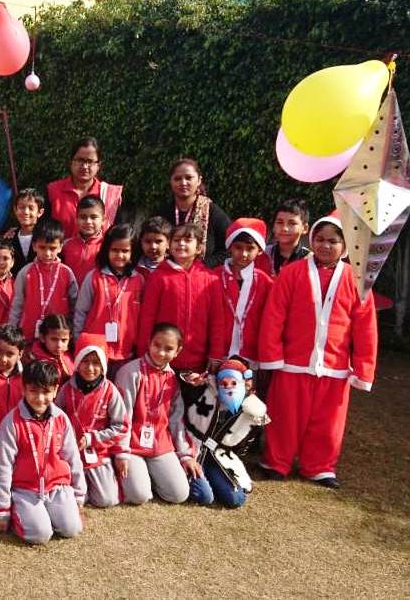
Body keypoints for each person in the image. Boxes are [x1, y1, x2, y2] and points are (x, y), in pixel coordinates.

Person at [257, 213, 377, 488]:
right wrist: (272, 356)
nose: (325, 246)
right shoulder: (292, 272)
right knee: (285, 416)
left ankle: (319, 466)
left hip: (334, 366)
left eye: (333, 241)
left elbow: (365, 328)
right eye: (320, 240)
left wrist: (363, 369)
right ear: (312, 240)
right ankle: (277, 461)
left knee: (328, 420)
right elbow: (274, 316)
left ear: (345, 246)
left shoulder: (357, 279)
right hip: (293, 362)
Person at [0, 360, 85, 545]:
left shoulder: (61, 419)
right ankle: (24, 513)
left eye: (46, 392)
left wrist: (79, 494)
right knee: (40, 535)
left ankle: (51, 512)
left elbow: (73, 457)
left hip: (57, 487)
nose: (40, 399)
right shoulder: (11, 424)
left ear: (56, 390)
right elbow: (3, 467)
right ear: (24, 389)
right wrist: (2, 509)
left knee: (71, 529)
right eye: (34, 391)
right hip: (25, 490)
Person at [136, 223, 224, 404]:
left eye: (188, 240)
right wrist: (144, 354)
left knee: (192, 414)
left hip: (197, 364)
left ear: (199, 247)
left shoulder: (211, 279)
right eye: (177, 240)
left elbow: (217, 320)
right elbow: (147, 318)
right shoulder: (159, 277)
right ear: (169, 244)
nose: (181, 244)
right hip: (162, 360)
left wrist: (216, 354)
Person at [114, 323, 195, 505]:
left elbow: (176, 419)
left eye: (168, 349)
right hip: (132, 445)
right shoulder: (130, 372)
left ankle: (148, 475)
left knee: (179, 494)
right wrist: (121, 453)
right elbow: (121, 416)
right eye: (157, 345)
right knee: (138, 496)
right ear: (149, 343)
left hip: (160, 445)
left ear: (177, 351)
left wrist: (185, 454)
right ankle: (139, 477)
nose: (160, 352)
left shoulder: (173, 378)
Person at [184, 359, 270, 508]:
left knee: (236, 499)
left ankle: (211, 479)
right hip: (194, 449)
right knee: (204, 496)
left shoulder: (249, 408)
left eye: (234, 383)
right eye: (224, 383)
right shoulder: (204, 390)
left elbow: (242, 448)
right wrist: (192, 383)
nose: (229, 387)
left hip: (218, 456)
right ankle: (200, 482)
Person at [55, 334, 127, 508]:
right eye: (85, 361)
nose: (90, 368)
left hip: (97, 451)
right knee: (71, 497)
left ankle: (91, 484)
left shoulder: (111, 391)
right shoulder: (66, 389)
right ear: (77, 362)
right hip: (70, 452)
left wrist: (92, 438)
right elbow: (55, 420)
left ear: (103, 367)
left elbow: (121, 426)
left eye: (96, 363)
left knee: (107, 500)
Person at [74, 223, 144, 379]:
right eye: (115, 250)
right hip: (93, 351)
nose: (119, 255)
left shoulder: (139, 280)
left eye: (125, 251)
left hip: (125, 352)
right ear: (106, 250)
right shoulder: (93, 277)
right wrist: (78, 340)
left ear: (133, 253)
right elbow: (81, 311)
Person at [215, 218, 274, 366]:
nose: (243, 254)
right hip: (219, 353)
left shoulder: (265, 282)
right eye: (238, 247)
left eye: (250, 248)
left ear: (260, 250)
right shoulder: (213, 277)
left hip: (251, 355)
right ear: (229, 247)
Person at [9, 218, 79, 341]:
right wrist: (13, 333)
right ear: (34, 246)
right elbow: (17, 305)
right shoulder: (25, 273)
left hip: (58, 336)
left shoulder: (67, 273)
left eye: (52, 248)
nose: (47, 253)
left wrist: (73, 331)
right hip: (29, 333)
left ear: (60, 247)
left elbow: (74, 306)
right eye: (42, 247)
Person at [154, 158, 231, 268]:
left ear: (199, 180)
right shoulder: (162, 213)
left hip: (204, 277)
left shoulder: (213, 213)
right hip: (167, 275)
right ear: (170, 181)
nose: (183, 183)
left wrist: (200, 268)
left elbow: (228, 250)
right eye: (177, 179)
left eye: (189, 178)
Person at [46, 137, 123, 239]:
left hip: (99, 254)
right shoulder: (53, 191)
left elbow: (118, 236)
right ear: (71, 162)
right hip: (61, 254)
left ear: (98, 165)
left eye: (90, 161)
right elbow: (43, 231)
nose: (85, 166)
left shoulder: (110, 195)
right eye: (80, 160)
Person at [256, 199, 311, 277]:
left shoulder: (311, 260)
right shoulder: (262, 255)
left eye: (292, 223)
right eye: (280, 222)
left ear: (305, 228)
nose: (284, 228)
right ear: (273, 226)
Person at [61, 195, 105, 284]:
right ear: (76, 219)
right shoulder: (65, 245)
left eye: (93, 217)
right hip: (69, 295)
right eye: (83, 217)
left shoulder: (107, 246)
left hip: (96, 296)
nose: (88, 221)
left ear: (103, 219)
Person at [2, 188, 46, 278]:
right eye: (21, 207)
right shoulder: (9, 239)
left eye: (31, 208)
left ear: (40, 212)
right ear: (15, 210)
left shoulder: (46, 238)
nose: (26, 212)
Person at [25, 315, 74, 387]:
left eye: (64, 340)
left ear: (70, 338)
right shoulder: (32, 359)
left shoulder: (70, 357)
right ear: (42, 338)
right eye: (54, 339)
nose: (59, 345)